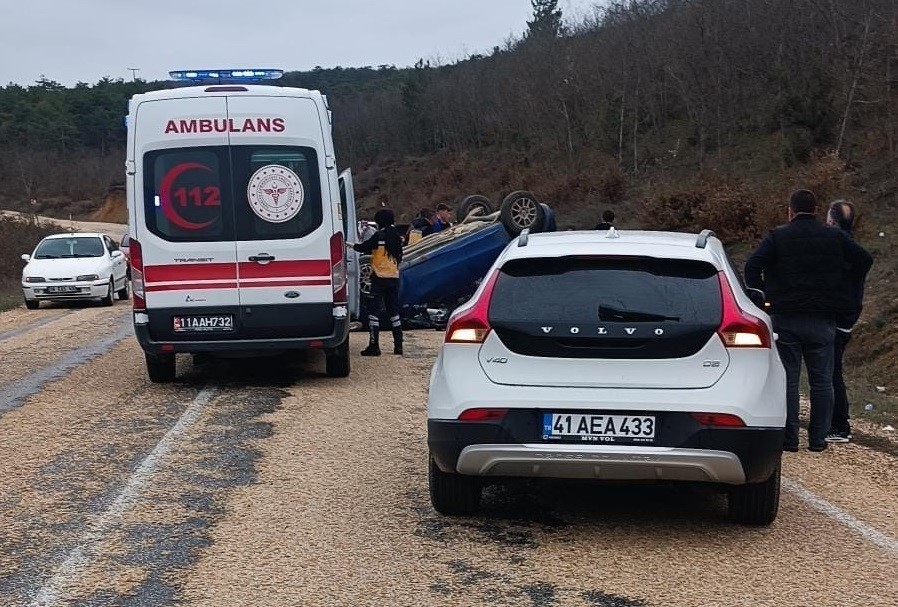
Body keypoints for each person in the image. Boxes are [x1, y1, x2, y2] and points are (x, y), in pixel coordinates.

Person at [745, 189, 873, 453]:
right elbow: (864, 260)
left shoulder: (778, 236)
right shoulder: (834, 236)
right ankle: (818, 439)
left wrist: (763, 297)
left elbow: (752, 266)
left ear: (790, 211)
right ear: (816, 209)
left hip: (786, 317)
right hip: (823, 318)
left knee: (790, 381)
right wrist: (841, 286)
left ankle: (790, 439)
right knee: (822, 382)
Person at [825, 200, 870, 443]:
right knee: (831, 373)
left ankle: (840, 425)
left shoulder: (844, 247)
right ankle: (833, 422)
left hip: (838, 319)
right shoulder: (849, 246)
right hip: (845, 317)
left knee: (832, 374)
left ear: (832, 220)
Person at [351, 208, 404, 356]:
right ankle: (398, 346)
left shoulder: (379, 235)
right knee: (393, 312)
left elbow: (363, 247)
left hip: (378, 278)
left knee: (373, 312)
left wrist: (350, 245)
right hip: (393, 278)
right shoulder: (397, 237)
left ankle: (374, 346)